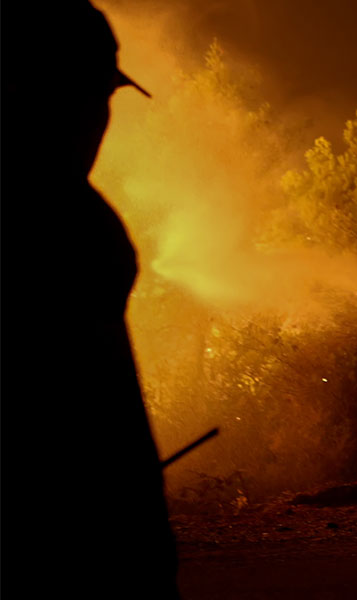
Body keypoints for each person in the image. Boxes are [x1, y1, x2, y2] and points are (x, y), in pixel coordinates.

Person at [1, 3, 179, 597]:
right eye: (72, 96)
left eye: (98, 98)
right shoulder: (61, 221)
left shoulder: (84, 219)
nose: (93, 121)